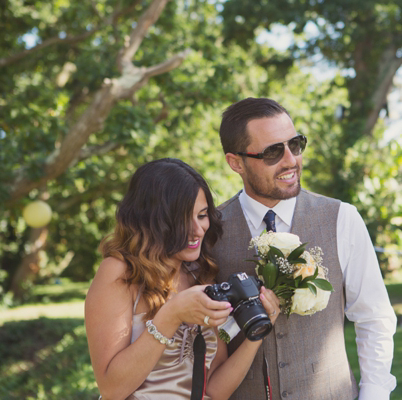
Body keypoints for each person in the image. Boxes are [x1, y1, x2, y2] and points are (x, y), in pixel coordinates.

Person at [211, 97, 397, 400]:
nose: (290, 160)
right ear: (236, 163)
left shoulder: (342, 218)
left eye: (295, 145)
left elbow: (374, 317)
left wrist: (374, 394)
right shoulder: (209, 231)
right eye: (273, 151)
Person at [84, 158, 281, 400]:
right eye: (182, 220)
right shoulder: (119, 272)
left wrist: (257, 333)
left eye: (201, 215)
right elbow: (112, 389)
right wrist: (172, 315)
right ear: (151, 220)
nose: (198, 230)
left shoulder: (200, 273)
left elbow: (213, 390)